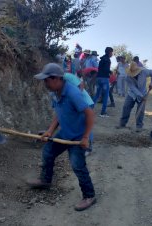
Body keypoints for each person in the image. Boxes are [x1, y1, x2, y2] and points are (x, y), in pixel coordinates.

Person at [28, 63, 96, 211]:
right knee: (48, 152)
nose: (44, 83)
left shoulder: (72, 93)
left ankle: (89, 195)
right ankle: (46, 180)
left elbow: (90, 114)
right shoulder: (55, 92)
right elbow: (59, 113)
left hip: (78, 137)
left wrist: (85, 137)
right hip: (65, 133)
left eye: (46, 80)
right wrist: (50, 131)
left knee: (78, 166)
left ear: (56, 79)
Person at [117, 62, 152, 132]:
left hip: (143, 92)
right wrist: (141, 96)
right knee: (126, 107)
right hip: (131, 93)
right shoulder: (127, 76)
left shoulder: (144, 71)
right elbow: (132, 87)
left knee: (140, 110)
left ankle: (139, 126)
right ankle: (122, 124)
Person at [93, 47, 113, 117]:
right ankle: (103, 112)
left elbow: (100, 68)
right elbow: (106, 69)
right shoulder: (107, 60)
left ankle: (90, 108)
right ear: (109, 52)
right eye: (111, 52)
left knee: (97, 95)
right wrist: (110, 72)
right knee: (106, 95)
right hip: (104, 78)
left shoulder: (102, 59)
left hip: (99, 78)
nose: (112, 54)